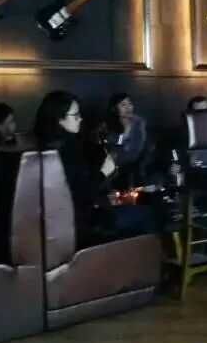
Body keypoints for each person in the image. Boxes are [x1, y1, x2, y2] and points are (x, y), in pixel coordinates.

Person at [34, 91, 154, 248]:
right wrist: (104, 173)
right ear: (59, 119)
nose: (80, 119)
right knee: (146, 214)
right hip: (82, 225)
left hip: (65, 222)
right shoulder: (67, 150)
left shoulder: (47, 146)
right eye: (75, 115)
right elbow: (80, 195)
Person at [105, 92, 149, 189]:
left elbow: (139, 148)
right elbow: (115, 150)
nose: (128, 107)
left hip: (137, 164)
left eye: (129, 104)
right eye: (123, 105)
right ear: (114, 109)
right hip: (118, 166)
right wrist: (125, 133)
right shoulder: (110, 126)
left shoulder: (139, 124)